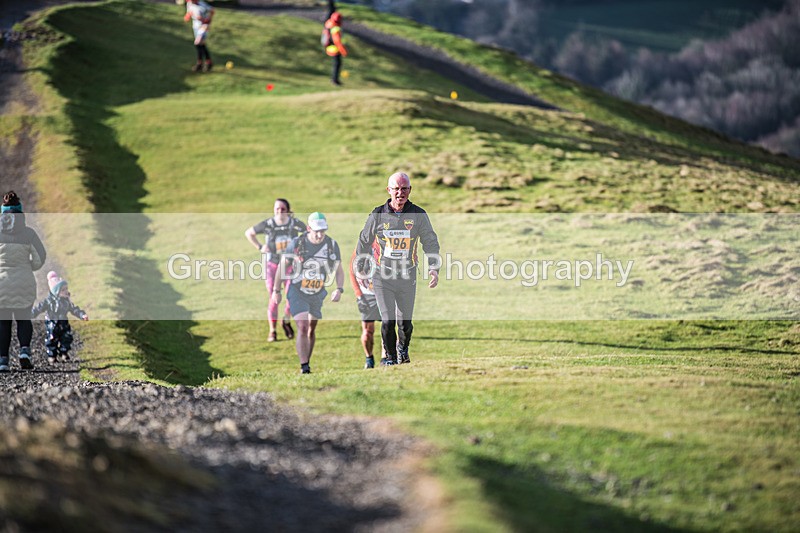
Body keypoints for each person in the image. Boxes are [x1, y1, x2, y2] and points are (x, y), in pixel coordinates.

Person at [355, 172, 440, 366]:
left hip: (407, 275)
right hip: (382, 276)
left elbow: (430, 241)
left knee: (405, 323)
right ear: (389, 190)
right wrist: (361, 269)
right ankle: (390, 358)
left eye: (404, 189)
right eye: (396, 189)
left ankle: (403, 348)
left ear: (410, 190)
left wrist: (433, 267)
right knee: (387, 320)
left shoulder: (418, 214)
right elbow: (364, 241)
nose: (400, 193)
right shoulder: (378, 214)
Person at [271, 212, 344, 374]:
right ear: (309, 228)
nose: (320, 234)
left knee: (311, 328)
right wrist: (276, 291)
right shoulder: (297, 244)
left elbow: (339, 270)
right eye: (316, 231)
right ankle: (304, 367)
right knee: (303, 326)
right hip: (297, 290)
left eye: (323, 230)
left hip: (317, 292)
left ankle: (307, 361)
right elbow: (282, 267)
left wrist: (339, 289)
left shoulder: (332, 244)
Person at [245, 198, 306, 342]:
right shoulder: (268, 224)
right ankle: (272, 331)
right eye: (277, 209)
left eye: (283, 209)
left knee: (292, 297)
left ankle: (285, 320)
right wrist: (260, 247)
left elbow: (308, 235)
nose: (279, 212)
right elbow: (249, 233)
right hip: (272, 265)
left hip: (290, 266)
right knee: (274, 298)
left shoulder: (295, 224)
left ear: (288, 210)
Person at [0, 191, 46, 372]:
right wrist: (29, 267)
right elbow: (40, 257)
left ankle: (3, 361)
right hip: (24, 281)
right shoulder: (28, 233)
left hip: (1, 283)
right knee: (23, 319)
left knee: (3, 323)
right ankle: (24, 352)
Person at [32, 271, 89, 364]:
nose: (66, 291)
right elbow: (39, 308)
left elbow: (74, 309)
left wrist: (82, 315)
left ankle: (64, 352)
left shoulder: (66, 301)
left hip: (63, 323)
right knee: (51, 339)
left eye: (66, 289)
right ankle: (52, 355)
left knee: (66, 338)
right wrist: (31, 314)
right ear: (56, 292)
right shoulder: (48, 301)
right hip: (52, 324)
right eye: (63, 290)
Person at [348, 249, 384, 369]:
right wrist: (359, 295)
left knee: (388, 327)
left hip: (385, 293)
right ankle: (369, 358)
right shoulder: (361, 248)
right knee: (368, 332)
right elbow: (352, 271)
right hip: (367, 295)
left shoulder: (388, 244)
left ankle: (386, 358)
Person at [184, 0, 215, 72]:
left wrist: (208, 20)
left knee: (197, 43)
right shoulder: (189, 4)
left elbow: (212, 10)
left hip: (204, 26)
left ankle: (200, 63)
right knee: (201, 45)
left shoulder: (202, 4)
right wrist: (187, 17)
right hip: (196, 27)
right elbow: (189, 13)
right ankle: (206, 63)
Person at [323, 11, 348, 86]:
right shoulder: (336, 28)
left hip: (329, 47)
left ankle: (334, 79)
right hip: (335, 49)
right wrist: (343, 51)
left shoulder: (329, 24)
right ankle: (335, 80)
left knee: (336, 64)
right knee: (337, 64)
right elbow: (337, 41)